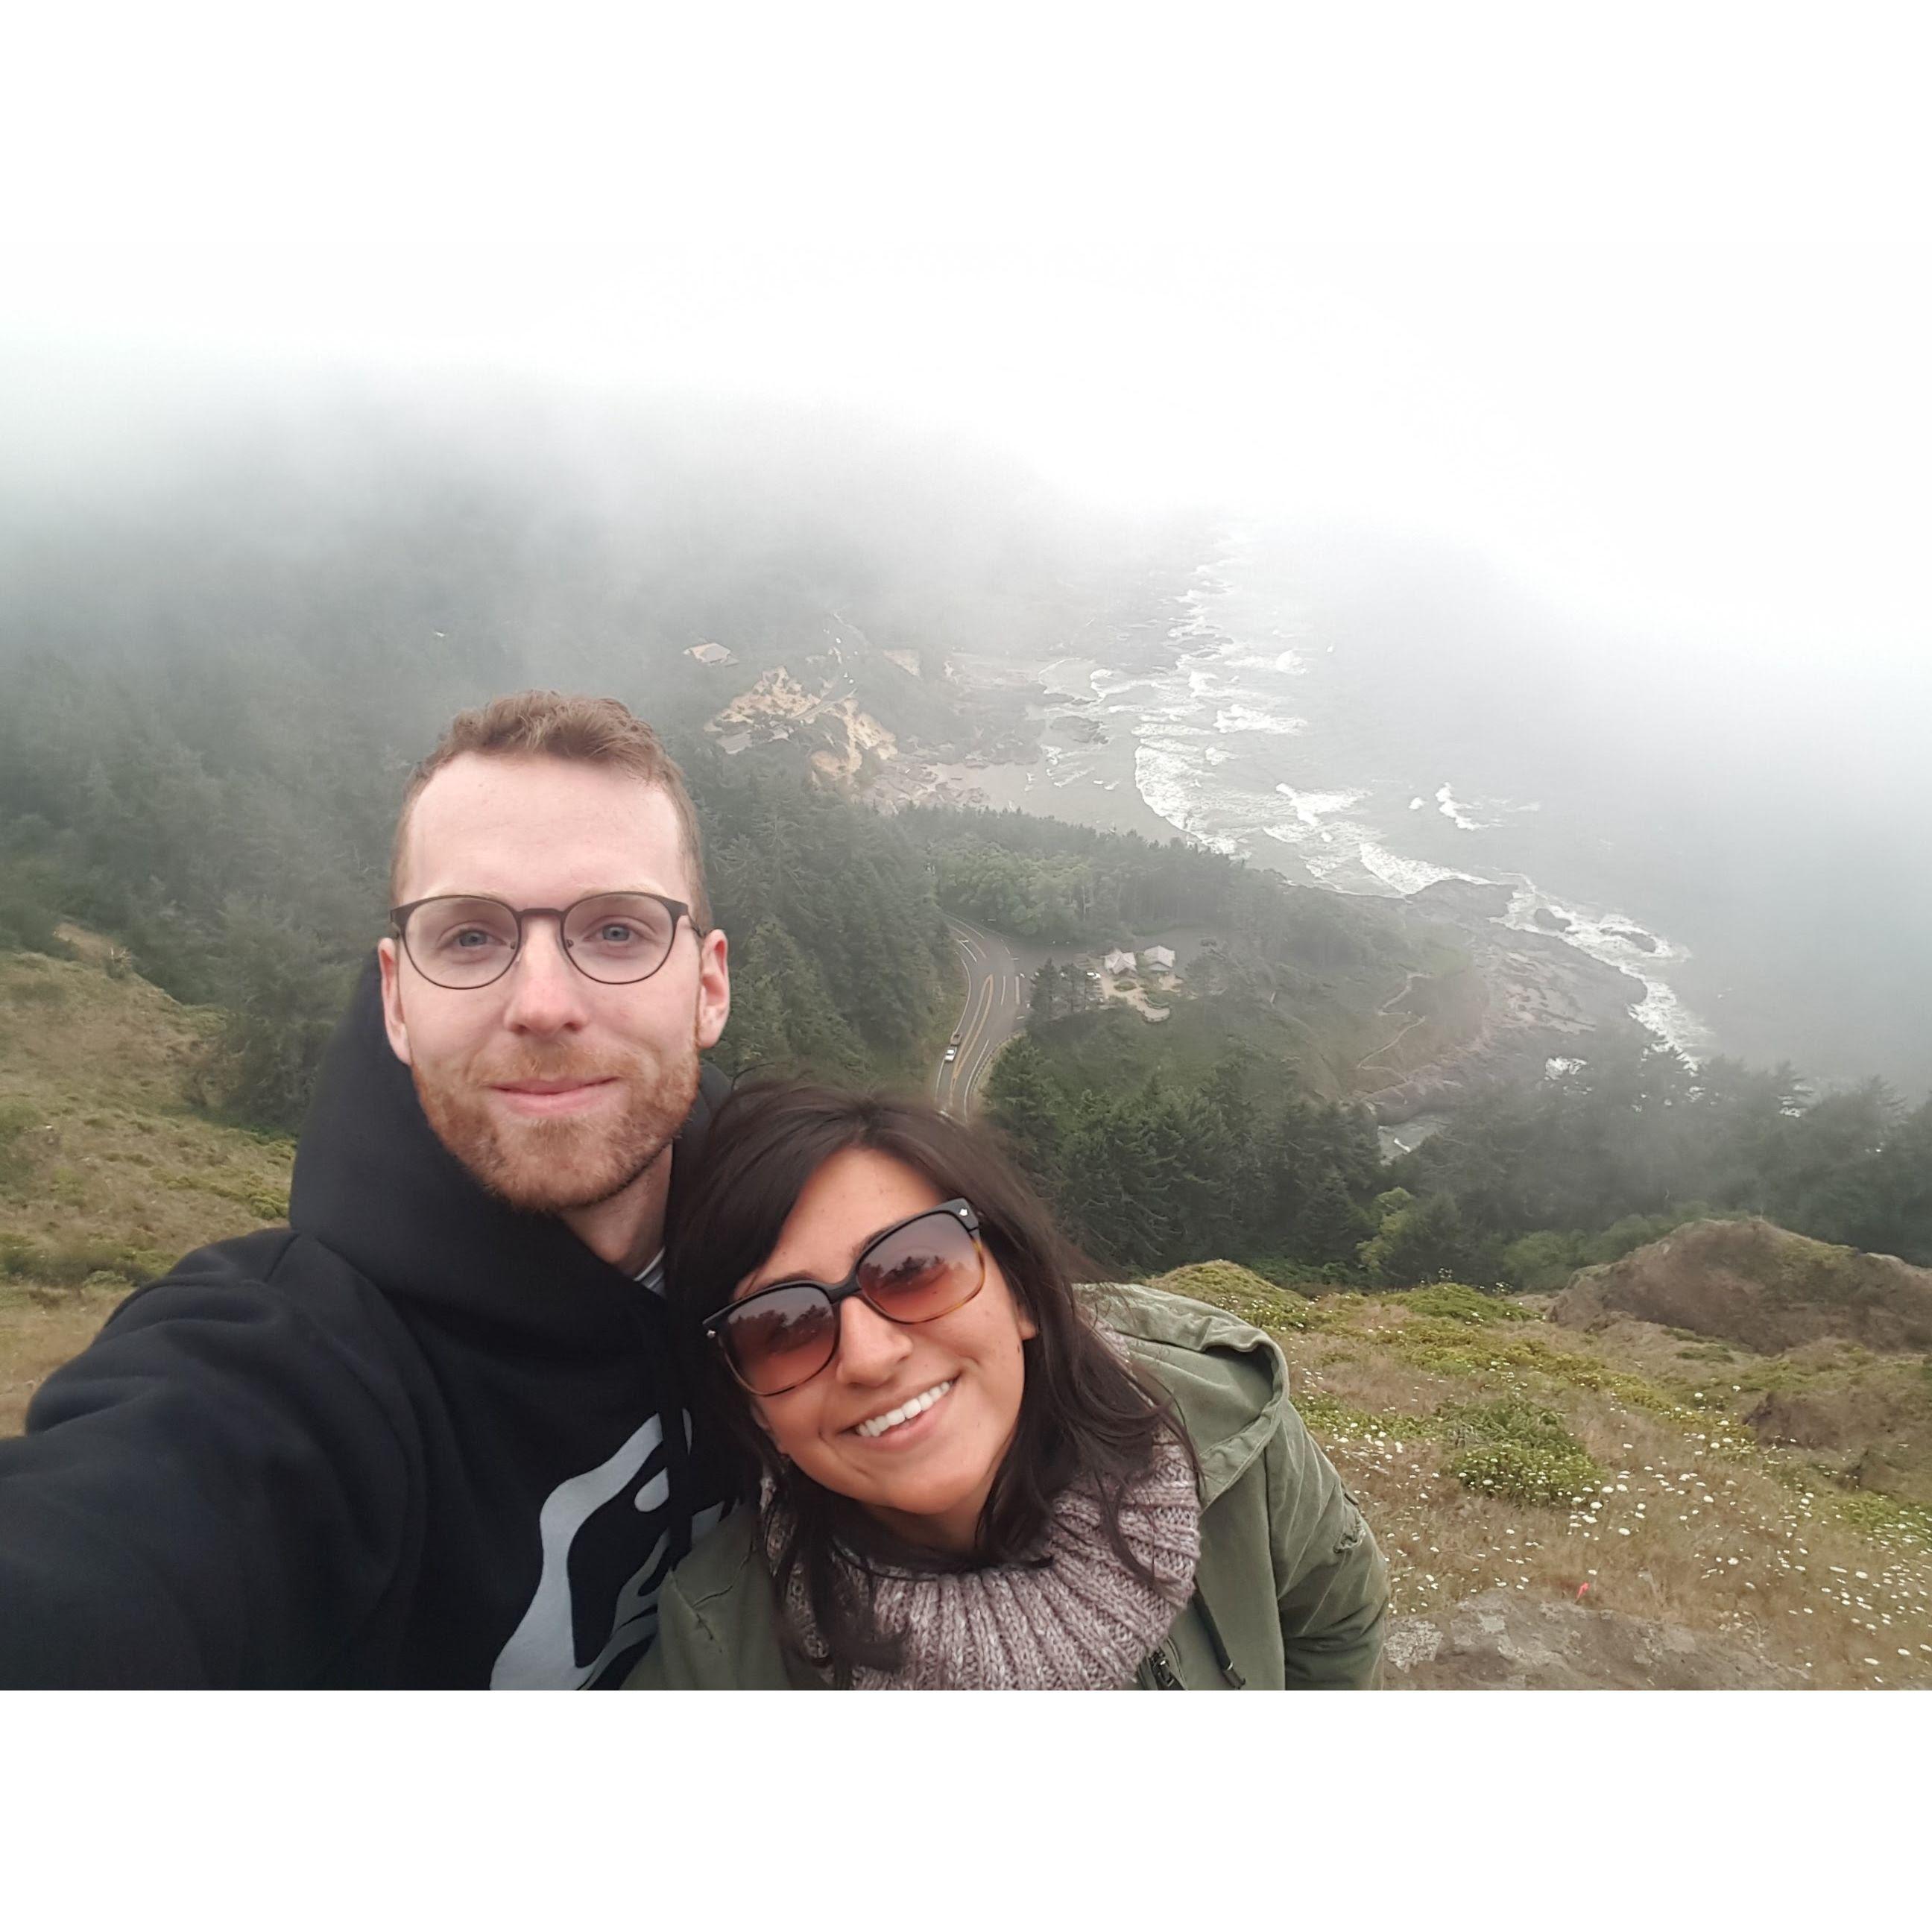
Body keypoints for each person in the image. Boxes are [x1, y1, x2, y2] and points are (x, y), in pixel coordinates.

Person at [0, 692, 734, 1688]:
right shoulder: (298, 1367)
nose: (543, 1005)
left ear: (708, 987)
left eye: (616, 930)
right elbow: (98, 1555)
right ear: (396, 997)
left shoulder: (797, 1242)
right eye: (469, 937)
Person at [628, 1082, 1389, 1690]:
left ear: (1021, 1291)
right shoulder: (715, 1655)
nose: (869, 1356)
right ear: (753, 1407)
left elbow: (1336, 1624)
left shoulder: (1225, 1420)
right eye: (781, 1328)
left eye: (913, 1268)